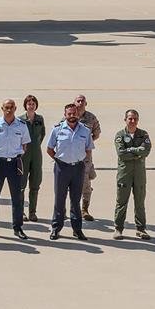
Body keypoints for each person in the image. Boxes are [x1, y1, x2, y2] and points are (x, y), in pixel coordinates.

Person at [45, 103, 94, 241]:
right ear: (65, 115)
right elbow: (49, 149)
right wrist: (59, 159)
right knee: (59, 199)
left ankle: (77, 230)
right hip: (62, 168)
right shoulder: (57, 130)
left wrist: (82, 161)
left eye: (74, 113)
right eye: (69, 114)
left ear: (77, 114)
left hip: (78, 168)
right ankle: (56, 228)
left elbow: (88, 149)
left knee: (75, 200)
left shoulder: (85, 131)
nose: (72, 116)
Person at [0, 99, 30, 240]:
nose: (9, 110)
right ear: (2, 108)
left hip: (14, 164)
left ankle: (18, 228)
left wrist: (14, 156)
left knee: (16, 197)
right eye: (6, 107)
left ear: (15, 108)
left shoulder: (22, 125)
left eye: (11, 107)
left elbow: (24, 146)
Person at [113, 109, 153, 240]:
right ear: (125, 120)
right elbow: (121, 153)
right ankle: (118, 228)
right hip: (125, 173)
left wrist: (130, 149)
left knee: (140, 202)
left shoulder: (143, 134)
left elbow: (146, 151)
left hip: (139, 174)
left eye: (135, 118)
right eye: (130, 118)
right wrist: (137, 153)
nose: (132, 121)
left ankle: (141, 229)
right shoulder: (120, 135)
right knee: (121, 202)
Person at [74, 94, 102, 221]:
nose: (80, 103)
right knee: (70, 183)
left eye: (82, 101)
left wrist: (87, 143)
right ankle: (70, 208)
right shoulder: (69, 115)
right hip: (72, 155)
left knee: (86, 183)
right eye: (78, 101)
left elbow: (96, 133)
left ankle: (84, 209)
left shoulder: (91, 118)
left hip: (86, 156)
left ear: (86, 103)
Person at [20, 95, 46, 223]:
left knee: (35, 184)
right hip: (23, 155)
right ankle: (21, 211)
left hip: (36, 154)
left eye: (33, 103)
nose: (31, 105)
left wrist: (35, 146)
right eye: (29, 103)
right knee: (21, 184)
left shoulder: (39, 119)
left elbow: (42, 134)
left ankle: (32, 212)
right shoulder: (20, 120)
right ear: (25, 105)